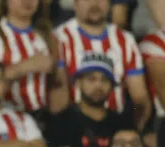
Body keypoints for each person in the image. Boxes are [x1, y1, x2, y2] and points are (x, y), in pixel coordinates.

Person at [47, 52, 135, 147]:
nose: (98, 86)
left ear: (112, 85)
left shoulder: (123, 123)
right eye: (91, 79)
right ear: (79, 82)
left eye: (104, 80)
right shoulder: (62, 121)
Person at [56, 0, 150, 130]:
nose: (94, 4)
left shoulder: (126, 40)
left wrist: (133, 130)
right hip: (74, 129)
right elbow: (57, 98)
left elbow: (140, 99)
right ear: (75, 3)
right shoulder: (58, 39)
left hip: (116, 127)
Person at [0, 0, 68, 115]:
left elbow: (59, 85)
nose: (27, 1)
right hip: (2, 114)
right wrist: (25, 67)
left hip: (42, 116)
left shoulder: (50, 38)